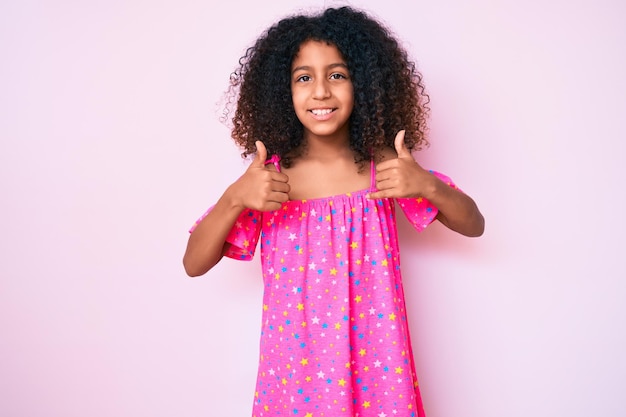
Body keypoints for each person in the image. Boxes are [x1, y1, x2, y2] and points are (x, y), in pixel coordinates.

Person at [183, 6, 484, 417]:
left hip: (378, 366)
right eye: (303, 77)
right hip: (295, 372)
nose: (321, 91)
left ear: (365, 84)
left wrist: (427, 185)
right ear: (281, 92)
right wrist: (235, 197)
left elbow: (473, 224)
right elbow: (194, 263)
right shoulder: (268, 181)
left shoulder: (386, 168)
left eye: (337, 75)